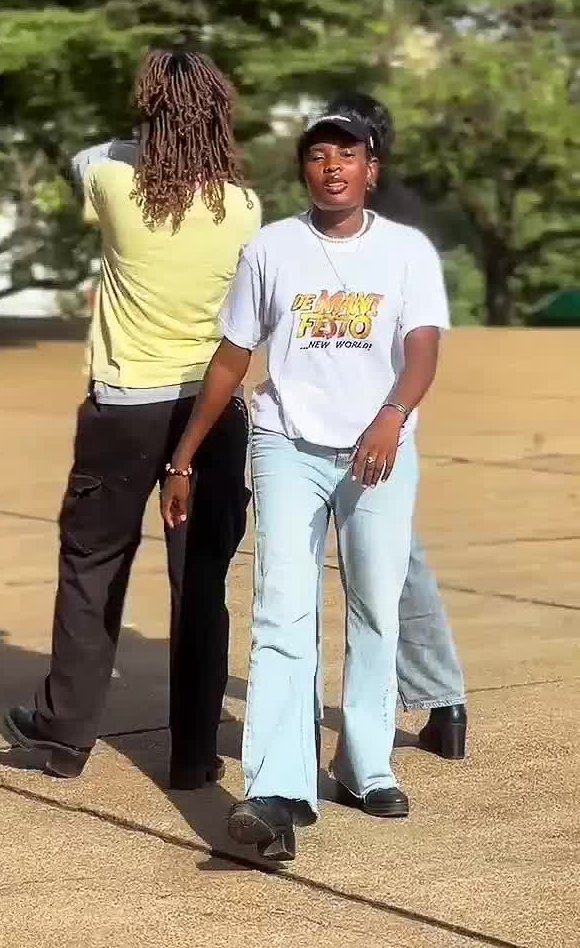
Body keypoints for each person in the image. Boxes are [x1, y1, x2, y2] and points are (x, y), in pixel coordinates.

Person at [162, 104, 453, 861]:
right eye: (319, 155)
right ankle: (277, 789)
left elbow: (423, 348)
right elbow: (233, 354)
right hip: (286, 444)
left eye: (347, 155)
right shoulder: (272, 248)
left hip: (380, 449)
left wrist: (391, 417)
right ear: (304, 170)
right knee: (282, 610)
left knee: (375, 607)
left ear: (371, 171)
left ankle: (365, 766)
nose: (333, 167)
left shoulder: (407, 252)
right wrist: (184, 456)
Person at [5, 49, 261, 789]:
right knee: (200, 581)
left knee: (93, 566)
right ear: (220, 118)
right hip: (211, 410)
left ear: (149, 114)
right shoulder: (245, 206)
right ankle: (193, 756)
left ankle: (65, 736)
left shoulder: (114, 180)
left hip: (124, 406)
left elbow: (86, 157)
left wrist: (150, 131)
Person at [326, 93, 467, 760]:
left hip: (372, 416)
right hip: (380, 410)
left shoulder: (380, 225)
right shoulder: (402, 217)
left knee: (389, 565)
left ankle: (439, 699)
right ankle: (443, 702)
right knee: (398, 558)